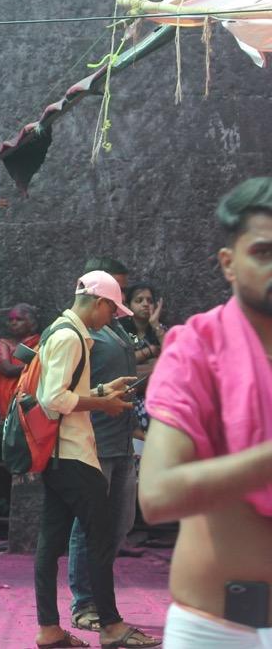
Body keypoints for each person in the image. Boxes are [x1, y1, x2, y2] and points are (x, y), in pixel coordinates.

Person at [140, 177, 272, 648]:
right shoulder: (196, 350)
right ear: (228, 264)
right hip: (216, 628)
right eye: (263, 251)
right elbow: (156, 496)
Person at [29, 271, 160, 649]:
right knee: (101, 539)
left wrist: (103, 390)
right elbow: (54, 398)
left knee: (50, 541)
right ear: (99, 302)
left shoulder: (63, 330)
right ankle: (111, 626)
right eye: (110, 311)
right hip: (73, 453)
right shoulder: (71, 337)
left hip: (58, 454)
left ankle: (49, 629)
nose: (110, 320)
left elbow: (65, 392)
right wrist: (100, 402)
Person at [67, 258, 145, 634]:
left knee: (120, 523)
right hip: (93, 442)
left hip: (120, 441)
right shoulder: (77, 333)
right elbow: (59, 394)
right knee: (90, 526)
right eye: (116, 291)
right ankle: (85, 601)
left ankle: (97, 593)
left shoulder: (113, 328)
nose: (121, 301)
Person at [0, 303, 42, 417]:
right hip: (10, 394)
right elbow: (7, 369)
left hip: (33, 393)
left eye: (19, 319)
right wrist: (36, 366)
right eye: (11, 320)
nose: (14, 323)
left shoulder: (39, 342)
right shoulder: (4, 343)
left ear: (30, 322)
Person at [121, 282, 166, 372]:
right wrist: (149, 351)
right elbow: (118, 362)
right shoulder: (120, 327)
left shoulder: (160, 328)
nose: (146, 304)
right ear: (128, 306)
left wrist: (155, 325)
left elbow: (173, 354)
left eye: (150, 301)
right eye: (139, 300)